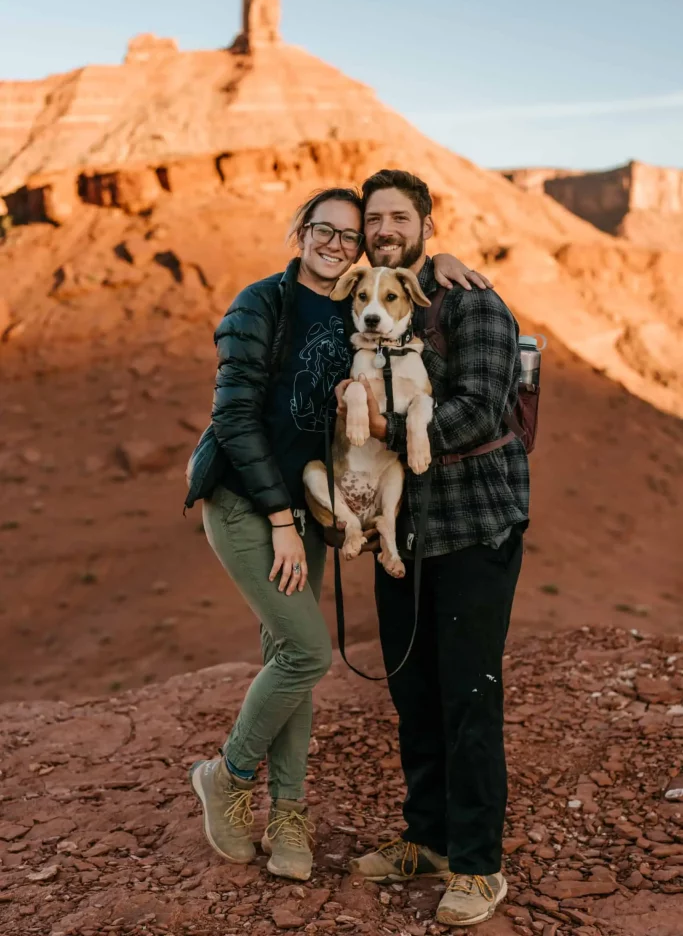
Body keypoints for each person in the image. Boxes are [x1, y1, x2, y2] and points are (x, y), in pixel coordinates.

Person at [186, 185, 490, 882]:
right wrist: (281, 521)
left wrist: (435, 258)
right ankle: (226, 774)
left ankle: (288, 815)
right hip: (248, 503)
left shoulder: (353, 304)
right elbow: (233, 418)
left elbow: (395, 299)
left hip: (310, 506)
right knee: (305, 654)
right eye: (322, 229)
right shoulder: (259, 303)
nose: (335, 243)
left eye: (348, 235)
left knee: (286, 660)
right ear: (300, 231)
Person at [344, 171, 530, 928]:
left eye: (398, 216)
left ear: (424, 221)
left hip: (473, 523)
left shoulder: (473, 302)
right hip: (405, 534)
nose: (384, 227)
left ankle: (479, 866)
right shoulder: (367, 302)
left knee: (468, 696)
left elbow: (477, 409)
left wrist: (378, 430)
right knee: (410, 690)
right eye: (373, 219)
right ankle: (428, 838)